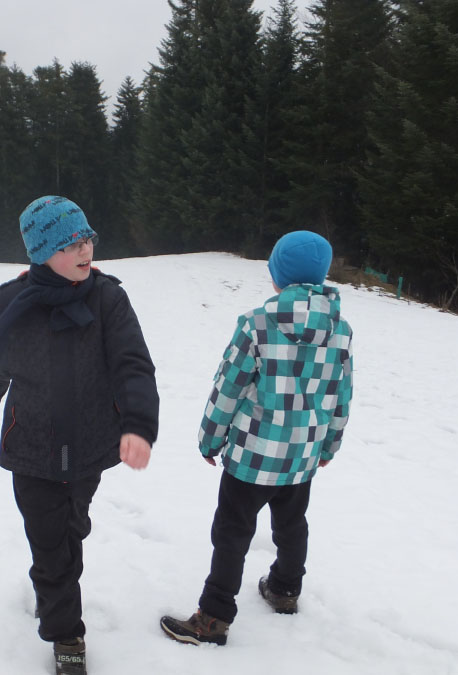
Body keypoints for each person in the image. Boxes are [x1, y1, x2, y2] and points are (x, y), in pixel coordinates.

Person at [0, 196, 160, 675]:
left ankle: (54, 586)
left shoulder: (108, 298)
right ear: (41, 251)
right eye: (71, 244)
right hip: (31, 448)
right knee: (51, 546)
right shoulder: (10, 303)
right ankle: (66, 635)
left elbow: (133, 365)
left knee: (73, 529)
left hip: (91, 445)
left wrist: (138, 425)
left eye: (87, 239)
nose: (85, 250)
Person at [160, 230, 353, 646]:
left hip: (252, 456)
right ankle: (284, 589)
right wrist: (329, 446)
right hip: (301, 456)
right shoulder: (341, 330)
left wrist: (210, 438)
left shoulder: (256, 324)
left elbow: (229, 387)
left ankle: (213, 619)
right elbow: (342, 393)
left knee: (232, 533)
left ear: (277, 274)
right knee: (292, 525)